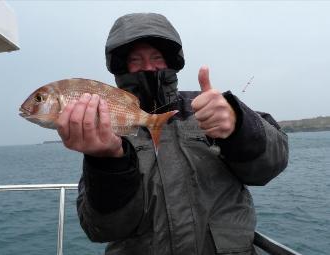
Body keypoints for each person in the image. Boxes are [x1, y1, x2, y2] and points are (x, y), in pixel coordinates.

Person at [56, 13, 288, 255]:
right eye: (136, 60)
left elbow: (272, 164)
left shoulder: (209, 107)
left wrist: (239, 126)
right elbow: (101, 229)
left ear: (172, 62)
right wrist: (106, 164)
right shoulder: (107, 129)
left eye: (157, 57)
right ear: (121, 67)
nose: (148, 67)